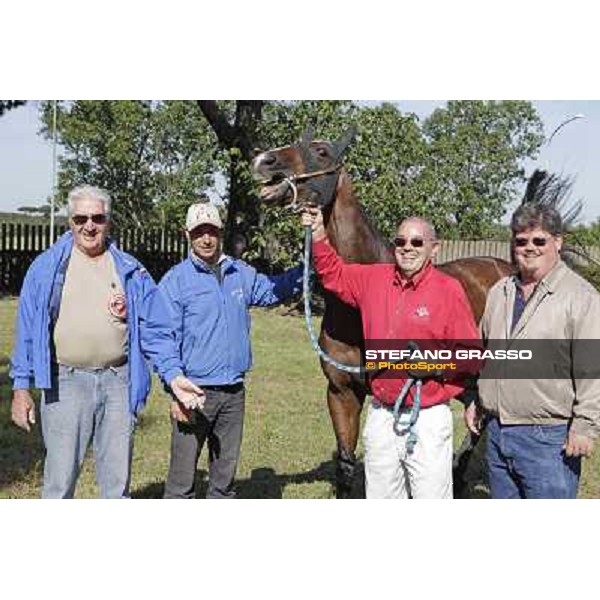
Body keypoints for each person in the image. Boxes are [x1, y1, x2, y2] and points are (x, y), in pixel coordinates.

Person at [10, 185, 203, 499]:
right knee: (59, 483)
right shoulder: (46, 268)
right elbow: (27, 332)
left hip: (118, 383)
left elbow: (156, 330)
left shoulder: (130, 270)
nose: (89, 225)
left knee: (116, 485)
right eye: (81, 218)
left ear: (108, 221)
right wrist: (21, 388)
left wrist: (174, 376)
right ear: (70, 221)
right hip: (65, 383)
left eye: (97, 218)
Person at [302, 207, 481, 499]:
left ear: (434, 248)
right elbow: (333, 273)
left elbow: (471, 355)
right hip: (382, 414)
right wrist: (320, 233)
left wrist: (435, 365)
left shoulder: (449, 290)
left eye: (416, 242)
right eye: (400, 242)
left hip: (428, 418)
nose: (407, 248)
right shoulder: (374, 279)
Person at [159, 202, 303, 499]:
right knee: (180, 483)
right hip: (193, 392)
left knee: (223, 481)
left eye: (211, 231)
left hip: (233, 392)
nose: (206, 239)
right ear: (188, 234)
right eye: (199, 232)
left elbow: (273, 289)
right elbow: (163, 338)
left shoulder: (239, 273)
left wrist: (309, 266)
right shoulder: (176, 280)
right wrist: (174, 388)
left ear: (220, 232)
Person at [466, 203, 600, 498]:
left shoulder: (581, 297)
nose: (529, 248)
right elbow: (486, 352)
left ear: (558, 242)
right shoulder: (500, 291)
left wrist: (585, 425)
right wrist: (476, 397)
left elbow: (593, 368)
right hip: (498, 433)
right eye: (521, 241)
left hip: (549, 439)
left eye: (538, 240)